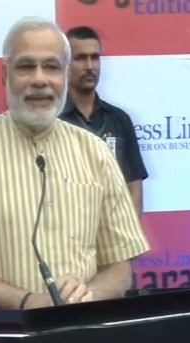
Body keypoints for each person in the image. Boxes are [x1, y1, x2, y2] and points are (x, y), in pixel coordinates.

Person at [0, 17, 150, 311]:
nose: (40, 79)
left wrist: (86, 297)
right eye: (26, 66)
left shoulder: (96, 151)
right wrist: (29, 303)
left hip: (77, 340)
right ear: (6, 74)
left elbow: (119, 268)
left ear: (65, 75)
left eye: (52, 67)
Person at [59, 26, 148, 218]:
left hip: (115, 238)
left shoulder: (120, 120)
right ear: (65, 65)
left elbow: (134, 187)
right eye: (81, 58)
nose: (90, 66)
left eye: (95, 57)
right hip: (65, 239)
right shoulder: (52, 121)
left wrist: (126, 240)